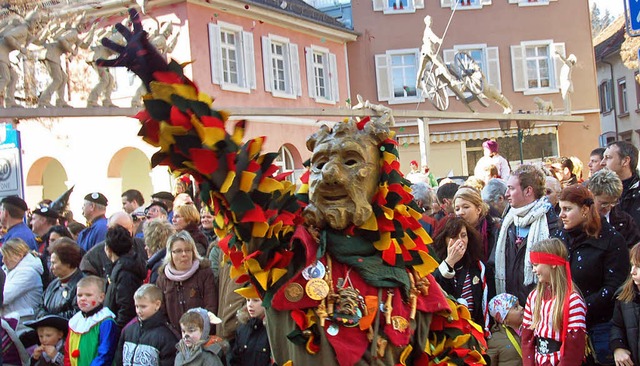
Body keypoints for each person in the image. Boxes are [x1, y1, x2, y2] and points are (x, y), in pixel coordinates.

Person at [98, 11, 491, 364]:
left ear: (380, 181)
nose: (331, 176)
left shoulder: (407, 271)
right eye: (319, 165)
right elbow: (225, 169)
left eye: (351, 162)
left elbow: (456, 347)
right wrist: (161, 80)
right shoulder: (284, 250)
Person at [553, 184, 628, 365]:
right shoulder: (559, 237)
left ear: (585, 210)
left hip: (600, 325)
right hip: (565, 324)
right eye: (560, 209)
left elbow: (615, 286)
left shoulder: (611, 239)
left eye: (567, 209)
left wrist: (579, 308)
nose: (561, 214)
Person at [491, 164, 559, 305]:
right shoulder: (507, 223)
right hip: (511, 309)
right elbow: (493, 264)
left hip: (542, 306)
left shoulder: (552, 225)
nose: (506, 194)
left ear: (528, 191)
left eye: (511, 188)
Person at [521, 238, 587, 366]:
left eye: (536, 265)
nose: (533, 270)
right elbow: (527, 338)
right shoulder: (533, 297)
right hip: (538, 360)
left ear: (552, 263)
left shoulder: (573, 301)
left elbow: (573, 346)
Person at [432, 217, 492, 333]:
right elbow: (435, 294)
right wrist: (449, 263)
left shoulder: (480, 268)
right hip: (446, 332)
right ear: (444, 239)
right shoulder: (434, 266)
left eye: (463, 235)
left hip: (474, 332)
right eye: (454, 237)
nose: (460, 241)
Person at [156, 230, 217, 332]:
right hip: (173, 338)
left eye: (188, 250)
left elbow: (211, 308)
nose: (184, 254)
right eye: (179, 251)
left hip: (201, 336)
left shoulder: (204, 273)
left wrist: (197, 334)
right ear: (171, 254)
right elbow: (161, 313)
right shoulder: (163, 278)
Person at [114, 284, 178, 366]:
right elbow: (119, 359)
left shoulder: (166, 337)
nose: (139, 311)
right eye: (137, 306)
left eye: (143, 307)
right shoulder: (128, 331)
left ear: (157, 305)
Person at [64, 276, 118, 366]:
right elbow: (67, 351)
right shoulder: (75, 321)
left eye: (88, 295)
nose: (82, 298)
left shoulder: (106, 322)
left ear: (101, 297)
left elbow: (105, 354)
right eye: (79, 295)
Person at [79, 211, 147, 279]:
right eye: (117, 230)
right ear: (108, 228)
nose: (122, 234)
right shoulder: (93, 257)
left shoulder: (145, 247)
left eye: (126, 230)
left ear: (132, 227)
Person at [103, 225, 146, 328]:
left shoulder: (125, 271)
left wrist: (117, 330)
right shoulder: (124, 265)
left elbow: (126, 307)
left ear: (108, 248)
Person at [588, 169, 640, 248]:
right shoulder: (579, 220)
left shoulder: (626, 222)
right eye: (604, 203)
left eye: (613, 202)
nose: (609, 207)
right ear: (591, 195)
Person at [36, 238, 84, 319]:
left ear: (68, 263)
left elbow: (77, 314)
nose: (51, 268)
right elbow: (40, 307)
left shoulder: (83, 284)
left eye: (54, 263)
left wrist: (51, 319)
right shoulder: (52, 285)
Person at [610, 243, 640, 366]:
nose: (632, 271)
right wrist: (618, 347)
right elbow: (617, 325)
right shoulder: (624, 297)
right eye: (632, 265)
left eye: (638, 266)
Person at [1, 238, 43, 322]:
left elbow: (4, 296)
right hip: (10, 319)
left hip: (22, 322)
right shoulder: (8, 269)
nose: (3, 260)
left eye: (6, 257)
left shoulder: (28, 272)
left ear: (19, 256)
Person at [453, 186, 498, 262]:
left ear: (478, 210)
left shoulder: (494, 230)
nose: (460, 212)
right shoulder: (453, 233)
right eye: (457, 209)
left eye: (466, 207)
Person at [601, 141, 640, 226]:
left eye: (608, 157)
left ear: (625, 161)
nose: (602, 163)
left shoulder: (637, 193)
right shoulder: (598, 191)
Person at [229, 297, 271, 366]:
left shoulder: (272, 331)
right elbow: (235, 360)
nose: (250, 305)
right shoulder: (242, 329)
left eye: (256, 300)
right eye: (248, 300)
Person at [486, 293, 523, 366]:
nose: (521, 307)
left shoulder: (529, 330)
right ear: (504, 318)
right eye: (516, 307)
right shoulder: (495, 340)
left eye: (519, 305)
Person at [144, 219, 175, 284]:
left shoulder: (158, 268)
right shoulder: (173, 259)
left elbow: (155, 293)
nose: (145, 247)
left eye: (146, 243)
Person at [556, 51, 576, 115]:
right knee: (566, 97)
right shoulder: (567, 65)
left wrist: (559, 54)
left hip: (566, 83)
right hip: (566, 82)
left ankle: (567, 111)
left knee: (565, 97)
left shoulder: (569, 64)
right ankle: (568, 111)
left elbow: (564, 60)